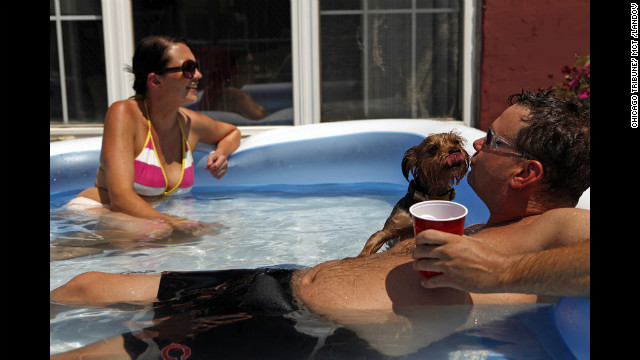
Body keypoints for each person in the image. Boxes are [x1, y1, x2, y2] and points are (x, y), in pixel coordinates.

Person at [50, 89, 589, 357]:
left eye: (491, 140)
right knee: (84, 284)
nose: (475, 143)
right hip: (281, 282)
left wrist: (496, 276)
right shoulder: (484, 224)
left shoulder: (559, 225)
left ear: (527, 172)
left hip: (301, 328)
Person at [52, 36, 242, 259]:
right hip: (97, 210)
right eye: (188, 69)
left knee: (205, 232)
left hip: (144, 220)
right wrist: (175, 221)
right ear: (155, 81)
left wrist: (221, 153)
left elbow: (232, 132)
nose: (198, 75)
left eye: (196, 67)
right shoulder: (124, 114)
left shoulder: (190, 123)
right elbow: (121, 198)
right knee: (161, 231)